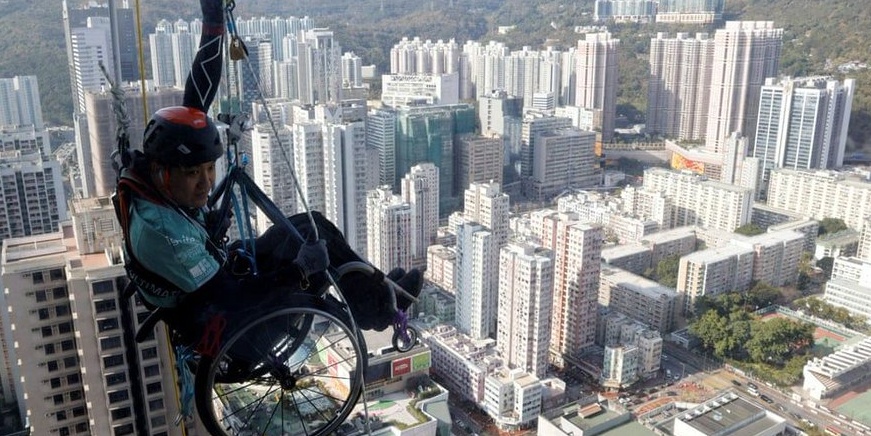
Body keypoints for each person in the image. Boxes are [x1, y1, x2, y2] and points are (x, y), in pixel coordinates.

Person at [118, 0, 421, 342]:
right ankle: (380, 309)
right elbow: (229, 299)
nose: (205, 184)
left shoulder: (157, 179)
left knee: (313, 225)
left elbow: (197, 96)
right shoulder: (164, 234)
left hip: (223, 277)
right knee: (312, 246)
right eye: (193, 174)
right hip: (237, 325)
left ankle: (379, 296)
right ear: (165, 170)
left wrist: (213, 24)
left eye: (209, 170)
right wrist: (299, 271)